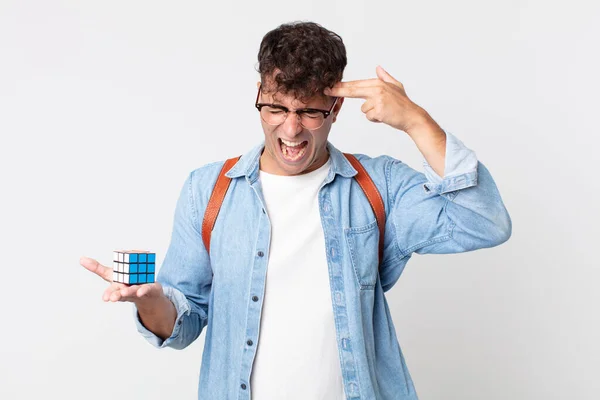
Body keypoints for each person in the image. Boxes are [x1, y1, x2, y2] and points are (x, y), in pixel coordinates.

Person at [80, 21, 511, 400]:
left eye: (308, 111)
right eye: (276, 108)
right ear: (259, 95)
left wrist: (416, 120)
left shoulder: (378, 187)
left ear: (336, 108)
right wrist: (152, 303)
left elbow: (484, 222)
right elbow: (183, 320)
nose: (290, 128)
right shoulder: (208, 190)